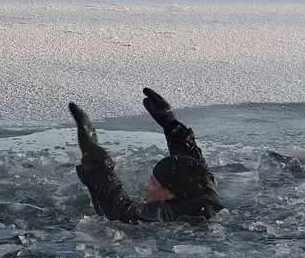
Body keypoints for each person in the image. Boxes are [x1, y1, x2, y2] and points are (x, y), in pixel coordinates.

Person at [68, 88, 223, 224]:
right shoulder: (205, 194)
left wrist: (95, 158)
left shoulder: (170, 215)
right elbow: (194, 170)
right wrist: (172, 126)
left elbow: (121, 212)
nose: (146, 187)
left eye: (153, 183)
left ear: (170, 194)